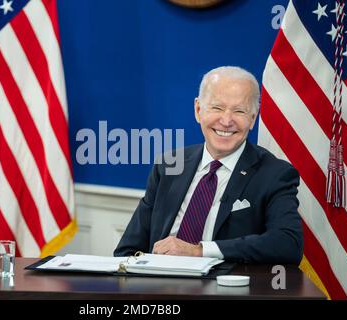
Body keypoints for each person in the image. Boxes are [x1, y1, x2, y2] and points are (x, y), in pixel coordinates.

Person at [114, 66, 303, 264]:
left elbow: (288, 244)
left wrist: (200, 251)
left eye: (239, 111)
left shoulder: (275, 174)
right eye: (217, 108)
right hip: (160, 287)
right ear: (198, 110)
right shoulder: (169, 165)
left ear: (252, 119)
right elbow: (127, 250)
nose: (226, 120)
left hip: (223, 289)